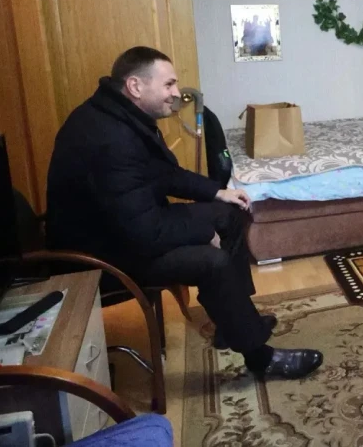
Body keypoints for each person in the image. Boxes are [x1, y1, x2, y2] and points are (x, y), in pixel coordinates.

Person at [46, 46, 322, 380]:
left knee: (230, 213)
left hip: (129, 227)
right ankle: (261, 359)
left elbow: (163, 174)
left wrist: (218, 192)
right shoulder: (110, 139)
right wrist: (204, 234)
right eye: (169, 85)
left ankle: (234, 319)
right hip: (103, 256)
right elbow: (145, 234)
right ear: (135, 86)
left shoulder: (122, 116)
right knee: (212, 261)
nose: (176, 93)